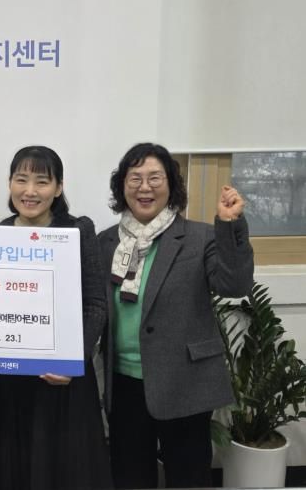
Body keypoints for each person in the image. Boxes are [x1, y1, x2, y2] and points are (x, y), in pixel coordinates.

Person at [98, 142, 254, 488]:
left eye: (155, 177)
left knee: (188, 477)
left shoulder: (200, 237)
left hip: (185, 381)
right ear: (122, 186)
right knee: (129, 477)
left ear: (171, 184)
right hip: (123, 384)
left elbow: (234, 285)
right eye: (135, 178)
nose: (145, 187)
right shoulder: (106, 243)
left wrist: (229, 225)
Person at [0, 146, 113, 490]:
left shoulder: (78, 230)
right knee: (16, 463)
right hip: (12, 373)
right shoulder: (0, 232)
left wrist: (73, 361)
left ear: (58, 187)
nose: (30, 191)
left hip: (64, 376)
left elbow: (95, 304)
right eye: (21, 180)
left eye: (42, 181)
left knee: (67, 467)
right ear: (9, 184)